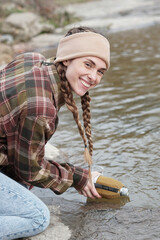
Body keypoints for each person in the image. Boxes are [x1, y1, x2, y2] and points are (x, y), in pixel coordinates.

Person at [0, 26, 110, 239]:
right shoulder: (41, 107)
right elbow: (29, 169)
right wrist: (79, 178)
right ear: (67, 58)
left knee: (25, 184)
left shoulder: (31, 59)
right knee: (37, 217)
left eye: (100, 71)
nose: (93, 76)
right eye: (88, 64)